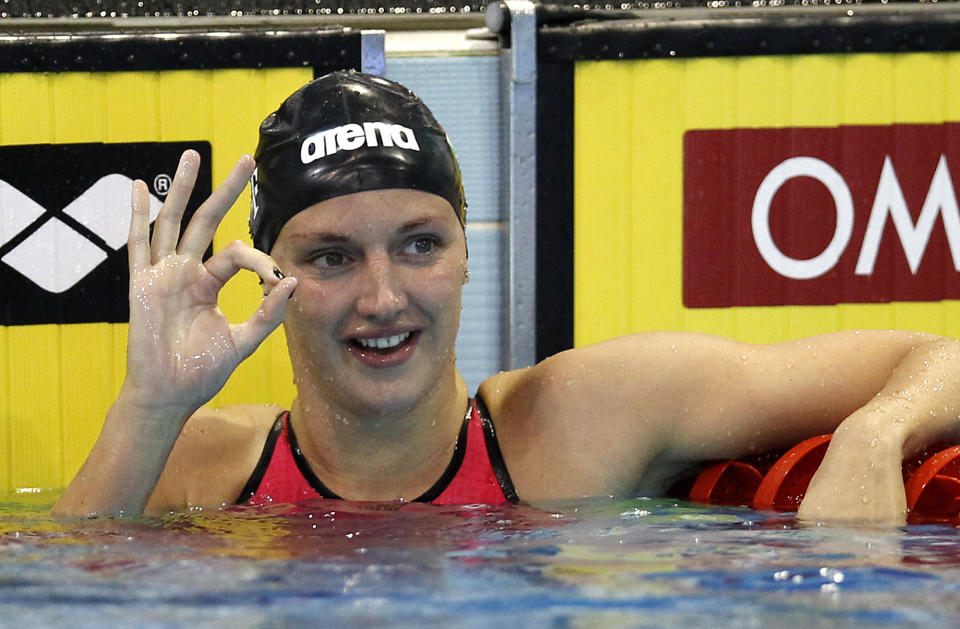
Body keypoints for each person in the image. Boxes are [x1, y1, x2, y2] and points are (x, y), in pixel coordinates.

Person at [53, 71, 960, 523]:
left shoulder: (588, 416)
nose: (383, 296)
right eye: (331, 257)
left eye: (420, 244)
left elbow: (940, 354)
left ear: (463, 257)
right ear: (270, 279)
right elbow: (65, 594)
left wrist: (877, 433)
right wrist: (150, 404)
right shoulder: (201, 464)